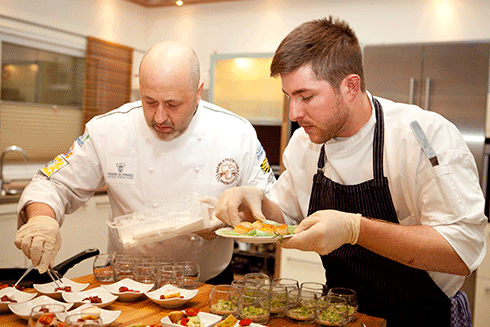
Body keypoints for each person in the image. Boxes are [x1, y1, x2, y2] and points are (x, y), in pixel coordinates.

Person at [215, 17, 487, 326]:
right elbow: (287, 216)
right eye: (289, 97)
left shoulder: (422, 135)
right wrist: (257, 203)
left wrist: (356, 229)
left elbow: (461, 252)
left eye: (306, 97)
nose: (294, 113)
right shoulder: (304, 144)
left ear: (350, 86)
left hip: (423, 316)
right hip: (342, 314)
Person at [14, 41, 276, 285]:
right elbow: (54, 183)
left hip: (207, 283)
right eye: (149, 102)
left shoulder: (236, 132)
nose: (159, 117)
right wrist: (42, 220)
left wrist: (229, 220)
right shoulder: (109, 129)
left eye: (173, 104)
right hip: (126, 284)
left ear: (198, 92)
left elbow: (270, 206)